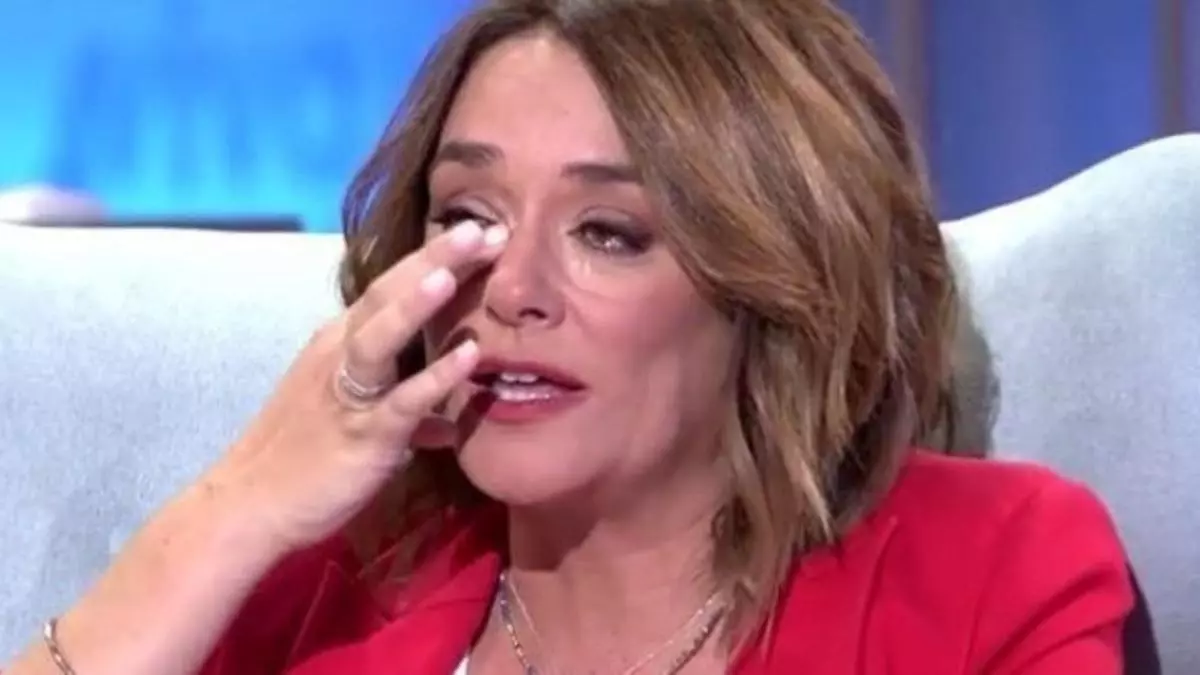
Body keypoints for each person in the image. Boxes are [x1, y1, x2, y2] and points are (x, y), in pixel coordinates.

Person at [5, 0, 1132, 673]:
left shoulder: (994, 566)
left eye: (608, 232)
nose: (511, 289)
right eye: (468, 216)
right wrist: (241, 502)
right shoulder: (329, 592)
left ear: (773, 286)